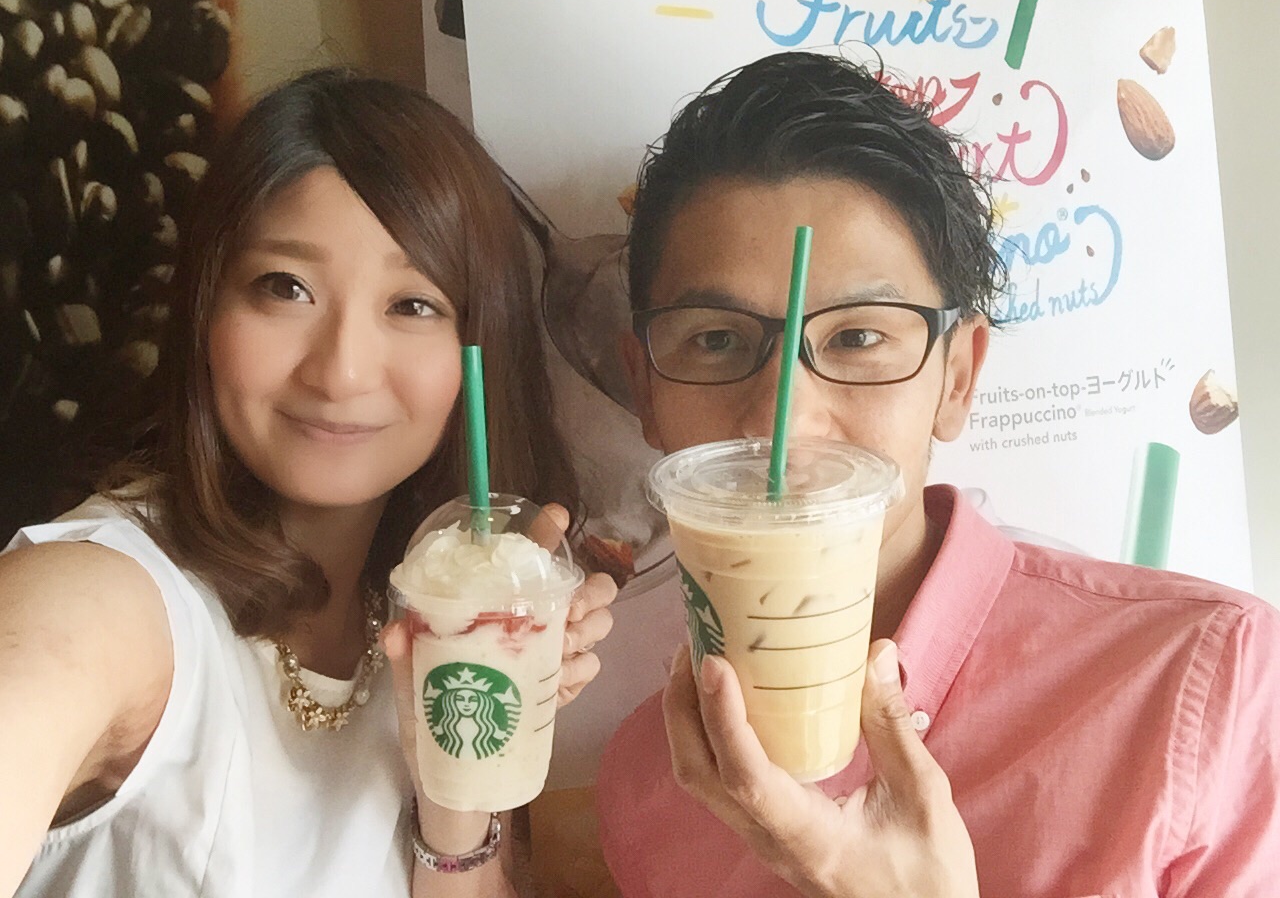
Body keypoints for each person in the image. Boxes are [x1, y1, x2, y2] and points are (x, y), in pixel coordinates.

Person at [596, 52, 1280, 897]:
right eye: (715, 339)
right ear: (646, 391)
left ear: (957, 379)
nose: (784, 421)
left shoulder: (1207, 685)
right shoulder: (646, 776)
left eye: (857, 337)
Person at [0, 69, 616, 898]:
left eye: (413, 304)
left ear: (480, 348)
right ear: (206, 311)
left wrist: (454, 776)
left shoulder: (413, 610)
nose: (341, 370)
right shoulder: (99, 600)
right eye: (285, 288)